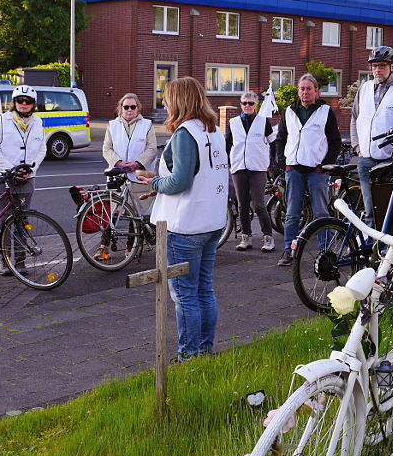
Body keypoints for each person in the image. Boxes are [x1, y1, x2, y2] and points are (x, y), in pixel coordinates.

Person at [138, 76, 229, 362]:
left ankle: (189, 355)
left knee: (185, 295)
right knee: (204, 288)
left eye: (166, 98)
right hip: (212, 220)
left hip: (185, 225)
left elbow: (179, 182)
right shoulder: (212, 130)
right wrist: (158, 178)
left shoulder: (184, 133)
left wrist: (153, 185)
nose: (163, 103)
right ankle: (204, 350)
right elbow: (197, 173)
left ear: (178, 101)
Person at [274, 74, 342, 266]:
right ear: (298, 91)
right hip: (294, 169)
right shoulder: (289, 111)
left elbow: (335, 141)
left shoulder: (325, 111)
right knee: (292, 213)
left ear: (316, 91)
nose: (305, 92)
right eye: (302, 89)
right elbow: (281, 138)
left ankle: (325, 250)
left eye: (309, 89)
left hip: (316, 170)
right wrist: (282, 161)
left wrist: (324, 165)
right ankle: (289, 250)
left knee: (321, 212)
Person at [350, 45, 393, 227]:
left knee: (390, 209)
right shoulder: (364, 88)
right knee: (369, 208)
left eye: (382, 65)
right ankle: (371, 248)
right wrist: (358, 148)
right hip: (366, 160)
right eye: (374, 66)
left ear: (392, 67)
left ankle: (388, 248)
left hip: (392, 162)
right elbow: (355, 118)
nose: (377, 70)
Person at [0, 85, 47, 275]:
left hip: (26, 179)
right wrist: (10, 169)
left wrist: (31, 169)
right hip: (3, 178)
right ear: (14, 103)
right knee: (4, 222)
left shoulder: (38, 122)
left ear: (33, 104)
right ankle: (4, 262)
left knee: (22, 221)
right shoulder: (3, 121)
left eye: (27, 101)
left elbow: (42, 149)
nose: (23, 104)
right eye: (20, 101)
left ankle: (20, 262)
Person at [98, 92, 158, 261]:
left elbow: (152, 149)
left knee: (137, 213)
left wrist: (137, 164)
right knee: (113, 213)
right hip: (117, 172)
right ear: (121, 108)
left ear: (138, 108)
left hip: (141, 172)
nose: (130, 110)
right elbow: (106, 149)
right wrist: (117, 162)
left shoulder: (147, 125)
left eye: (133, 106)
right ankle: (104, 247)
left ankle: (130, 248)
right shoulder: (112, 125)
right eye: (126, 107)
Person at [225, 91, 276, 252]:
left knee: (259, 204)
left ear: (256, 105)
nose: (247, 106)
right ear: (240, 105)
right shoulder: (233, 122)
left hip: (258, 168)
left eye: (251, 103)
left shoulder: (263, 122)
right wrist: (227, 163)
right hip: (238, 167)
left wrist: (271, 161)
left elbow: (273, 143)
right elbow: (227, 144)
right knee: (242, 206)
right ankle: (246, 237)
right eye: (244, 103)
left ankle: (268, 237)